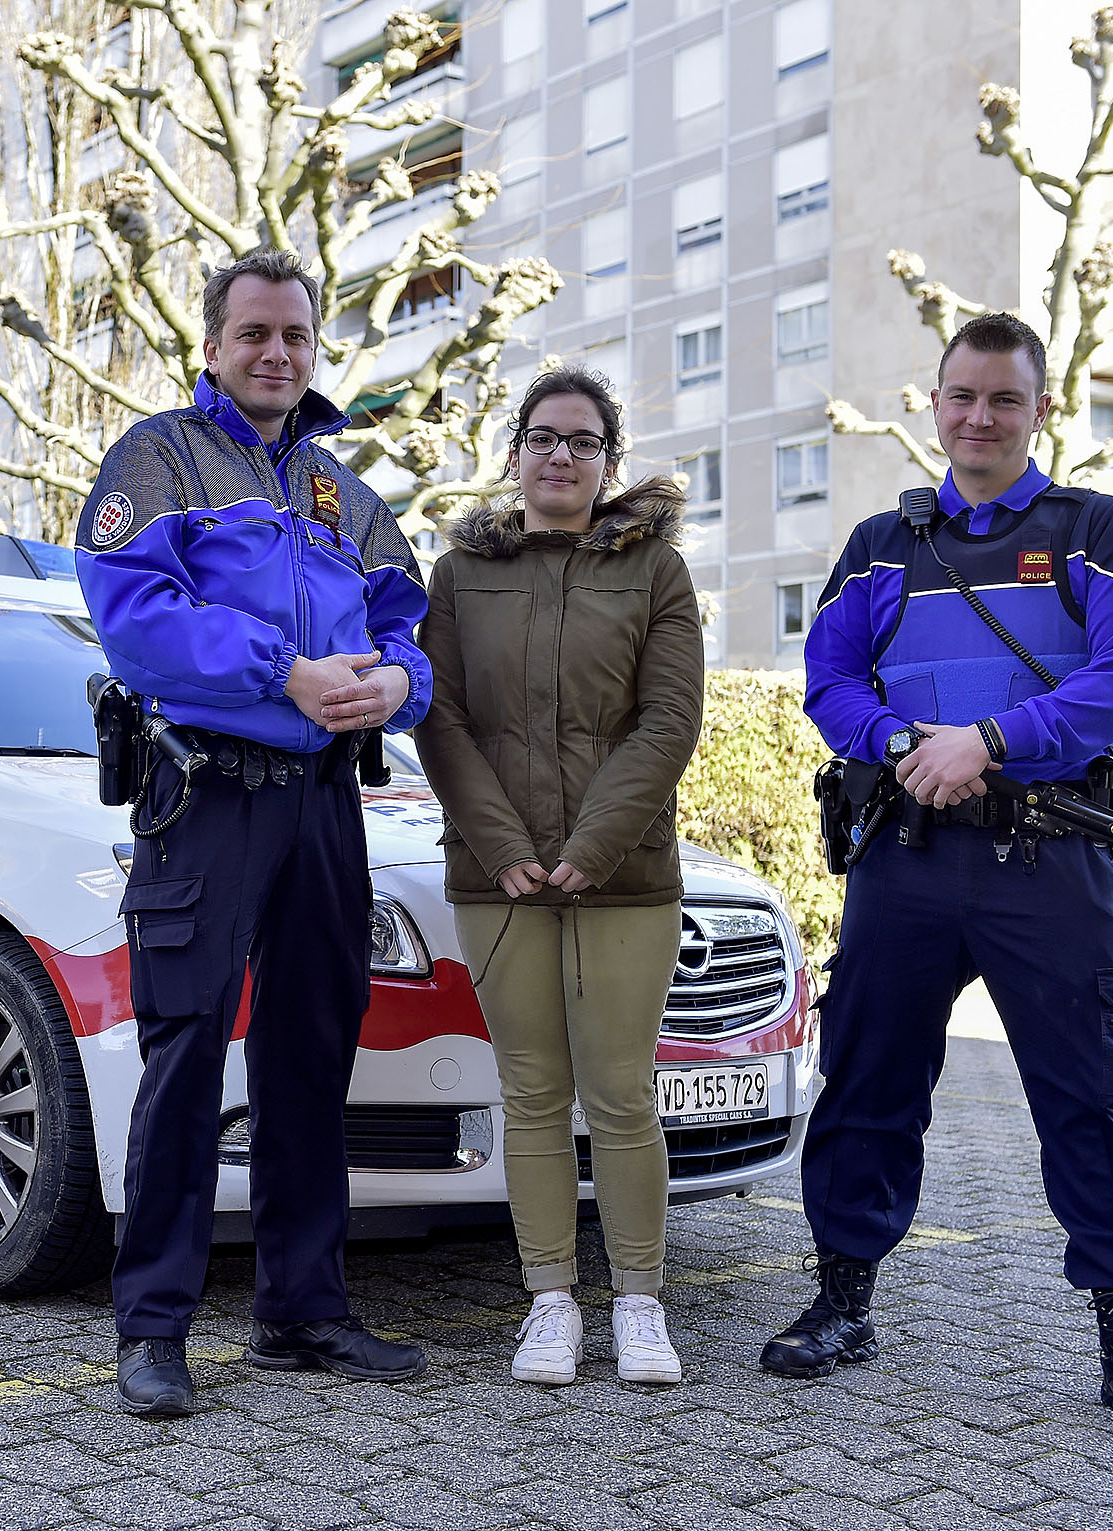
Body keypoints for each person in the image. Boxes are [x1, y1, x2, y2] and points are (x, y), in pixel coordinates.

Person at [770, 311, 1113, 1444]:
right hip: (904, 856)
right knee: (864, 1082)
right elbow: (825, 679)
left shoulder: (1092, 527)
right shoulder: (879, 540)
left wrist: (991, 741)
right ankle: (841, 1302)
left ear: (1039, 409)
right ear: (934, 402)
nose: (977, 417)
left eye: (1002, 399)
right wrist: (910, 744)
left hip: (1049, 860)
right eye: (960, 396)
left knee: (1085, 1098)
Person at [74, 248, 433, 1417]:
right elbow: (135, 620)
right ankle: (154, 1330)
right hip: (208, 794)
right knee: (184, 1054)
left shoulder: (346, 494)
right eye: (254, 335)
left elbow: (409, 629)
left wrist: (398, 690)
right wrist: (280, 671)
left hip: (326, 800)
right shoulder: (159, 457)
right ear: (214, 344)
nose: (276, 354)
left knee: (308, 1057)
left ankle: (301, 1311)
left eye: (294, 336)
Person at [413, 368, 704, 1388]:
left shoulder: (654, 571)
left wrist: (594, 841)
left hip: (622, 876)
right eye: (542, 436)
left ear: (608, 464)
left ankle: (636, 1301)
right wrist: (502, 846)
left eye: (582, 441)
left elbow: (666, 721)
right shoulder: (456, 575)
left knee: (620, 1092)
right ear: (514, 454)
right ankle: (547, 1303)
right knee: (530, 1092)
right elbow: (438, 720)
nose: (560, 455)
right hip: (498, 880)